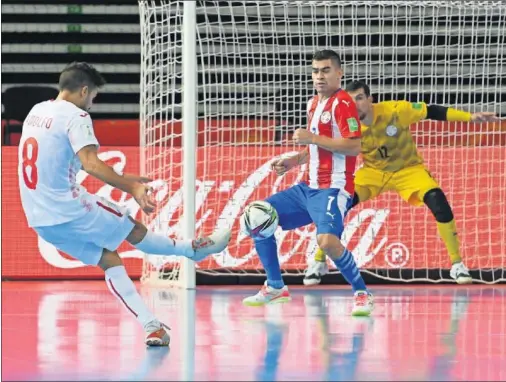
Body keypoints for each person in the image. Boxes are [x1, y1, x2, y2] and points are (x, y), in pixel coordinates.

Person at [18, 62, 231, 346]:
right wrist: (131, 187)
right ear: (84, 91)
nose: (91, 103)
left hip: (39, 218)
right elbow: (91, 164)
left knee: (109, 259)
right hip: (67, 209)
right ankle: (191, 251)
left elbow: (58, 164)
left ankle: (152, 327)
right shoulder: (77, 116)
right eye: (93, 97)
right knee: (132, 230)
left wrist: (121, 177)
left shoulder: (37, 110)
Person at [304, 80, 499, 286]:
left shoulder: (396, 110)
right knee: (338, 206)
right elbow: (327, 147)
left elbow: (431, 111)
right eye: (350, 101)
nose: (355, 105)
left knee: (437, 200)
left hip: (408, 169)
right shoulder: (346, 125)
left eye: (360, 98)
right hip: (373, 172)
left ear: (370, 100)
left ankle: (457, 264)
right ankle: (318, 261)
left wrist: (469, 117)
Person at [242, 50, 374, 317]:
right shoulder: (313, 102)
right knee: (256, 216)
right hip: (306, 187)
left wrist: (312, 138)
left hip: (333, 187)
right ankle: (276, 286)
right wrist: (295, 160)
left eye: (326, 70)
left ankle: (362, 293)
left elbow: (353, 147)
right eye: (315, 71)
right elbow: (320, 147)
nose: (319, 76)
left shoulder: (343, 103)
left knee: (326, 241)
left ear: (340, 73)